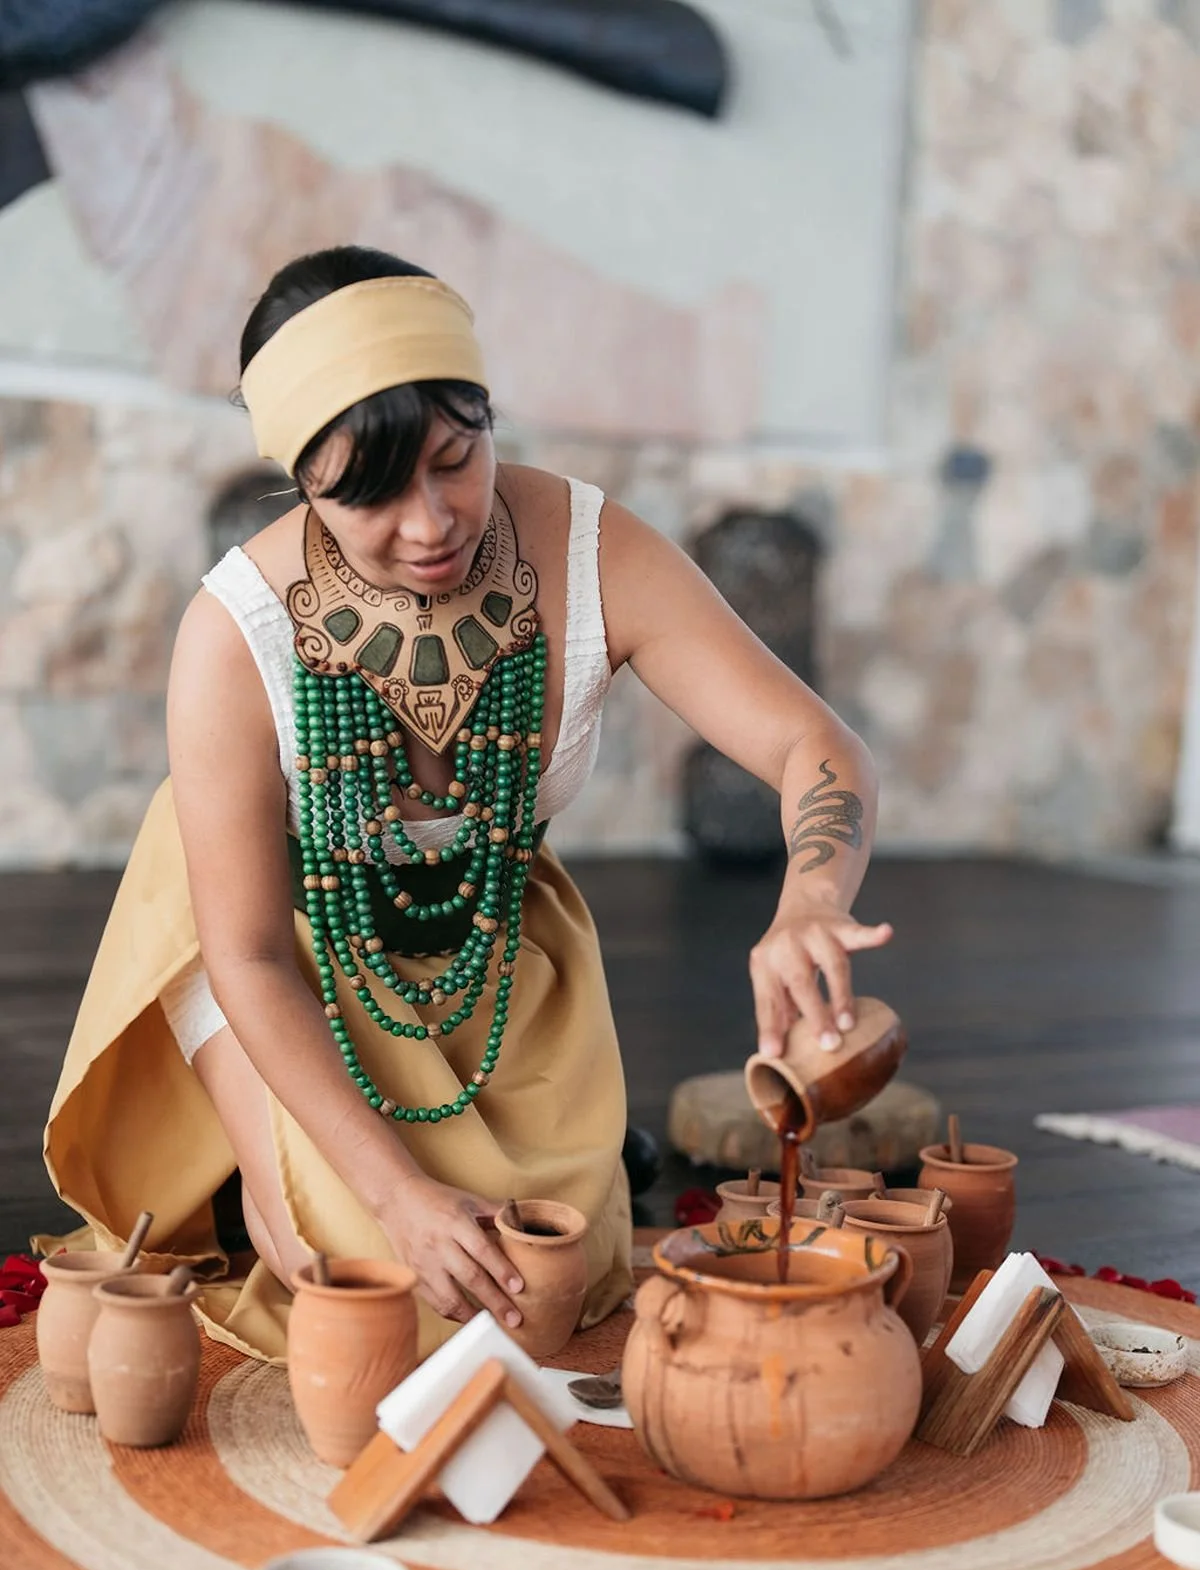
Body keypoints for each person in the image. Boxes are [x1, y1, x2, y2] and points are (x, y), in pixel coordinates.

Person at [40, 245, 892, 1363]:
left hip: (485, 945)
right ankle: (256, 1172)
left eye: (457, 457)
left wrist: (807, 898)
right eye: (371, 492)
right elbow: (244, 952)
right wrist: (393, 1193)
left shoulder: (595, 555)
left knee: (554, 1271)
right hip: (278, 946)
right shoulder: (233, 632)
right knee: (371, 1279)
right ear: (303, 479)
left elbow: (811, 743)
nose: (432, 519)